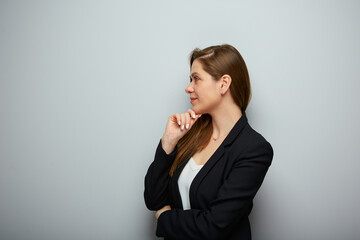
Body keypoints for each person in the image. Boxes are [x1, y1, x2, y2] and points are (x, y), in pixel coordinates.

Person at [144, 44, 273, 240]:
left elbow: (213, 226)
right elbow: (153, 199)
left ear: (223, 84)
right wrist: (168, 142)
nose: (188, 88)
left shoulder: (254, 149)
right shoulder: (189, 134)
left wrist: (165, 219)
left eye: (196, 79)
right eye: (190, 80)